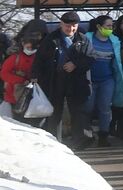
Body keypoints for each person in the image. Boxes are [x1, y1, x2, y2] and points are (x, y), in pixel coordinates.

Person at [34, 12, 93, 147]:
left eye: (74, 26)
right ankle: (53, 141)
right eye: (67, 26)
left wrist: (75, 64)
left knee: (77, 111)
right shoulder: (50, 39)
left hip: (77, 81)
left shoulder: (84, 39)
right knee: (54, 111)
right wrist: (34, 75)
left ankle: (79, 142)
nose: (71, 29)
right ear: (61, 24)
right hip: (55, 80)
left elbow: (90, 58)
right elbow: (40, 59)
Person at [84, 15, 123, 147]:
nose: (110, 28)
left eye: (111, 26)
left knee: (105, 108)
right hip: (89, 79)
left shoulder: (114, 41)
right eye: (108, 26)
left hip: (107, 79)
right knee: (88, 107)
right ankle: (86, 134)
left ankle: (104, 136)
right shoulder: (87, 38)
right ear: (98, 27)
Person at [1, 19, 49, 125]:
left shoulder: (41, 52)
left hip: (33, 95)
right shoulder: (16, 56)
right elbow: (4, 73)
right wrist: (21, 80)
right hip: (17, 95)